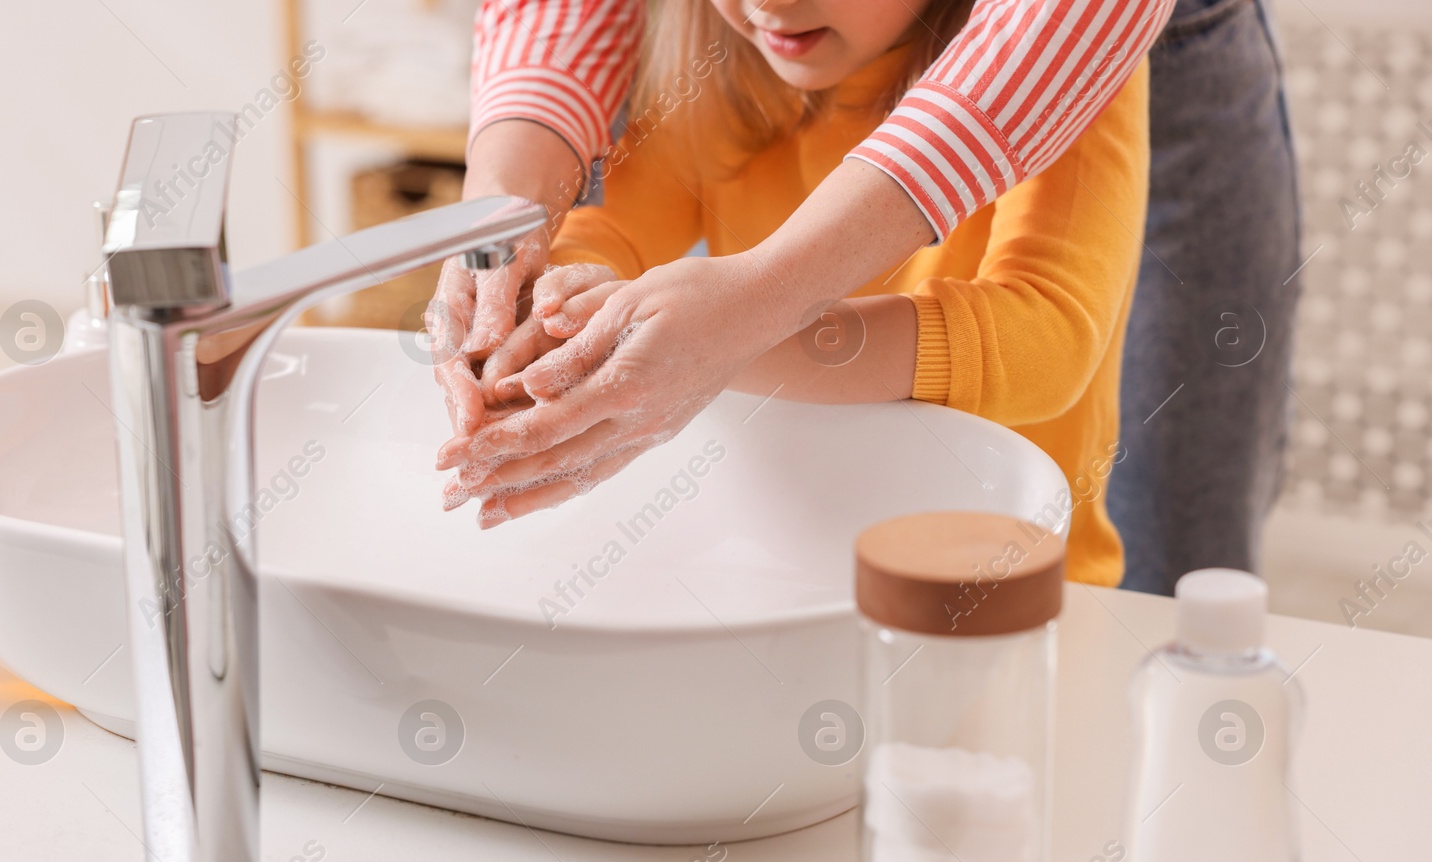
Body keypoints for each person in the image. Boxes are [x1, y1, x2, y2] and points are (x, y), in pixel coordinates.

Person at [432, 0, 1299, 593]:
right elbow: (610, 230)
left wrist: (730, 337)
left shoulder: (1083, 88)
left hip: (1015, 598)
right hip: (809, 583)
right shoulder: (720, 55)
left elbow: (1047, 338)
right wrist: (558, 296)